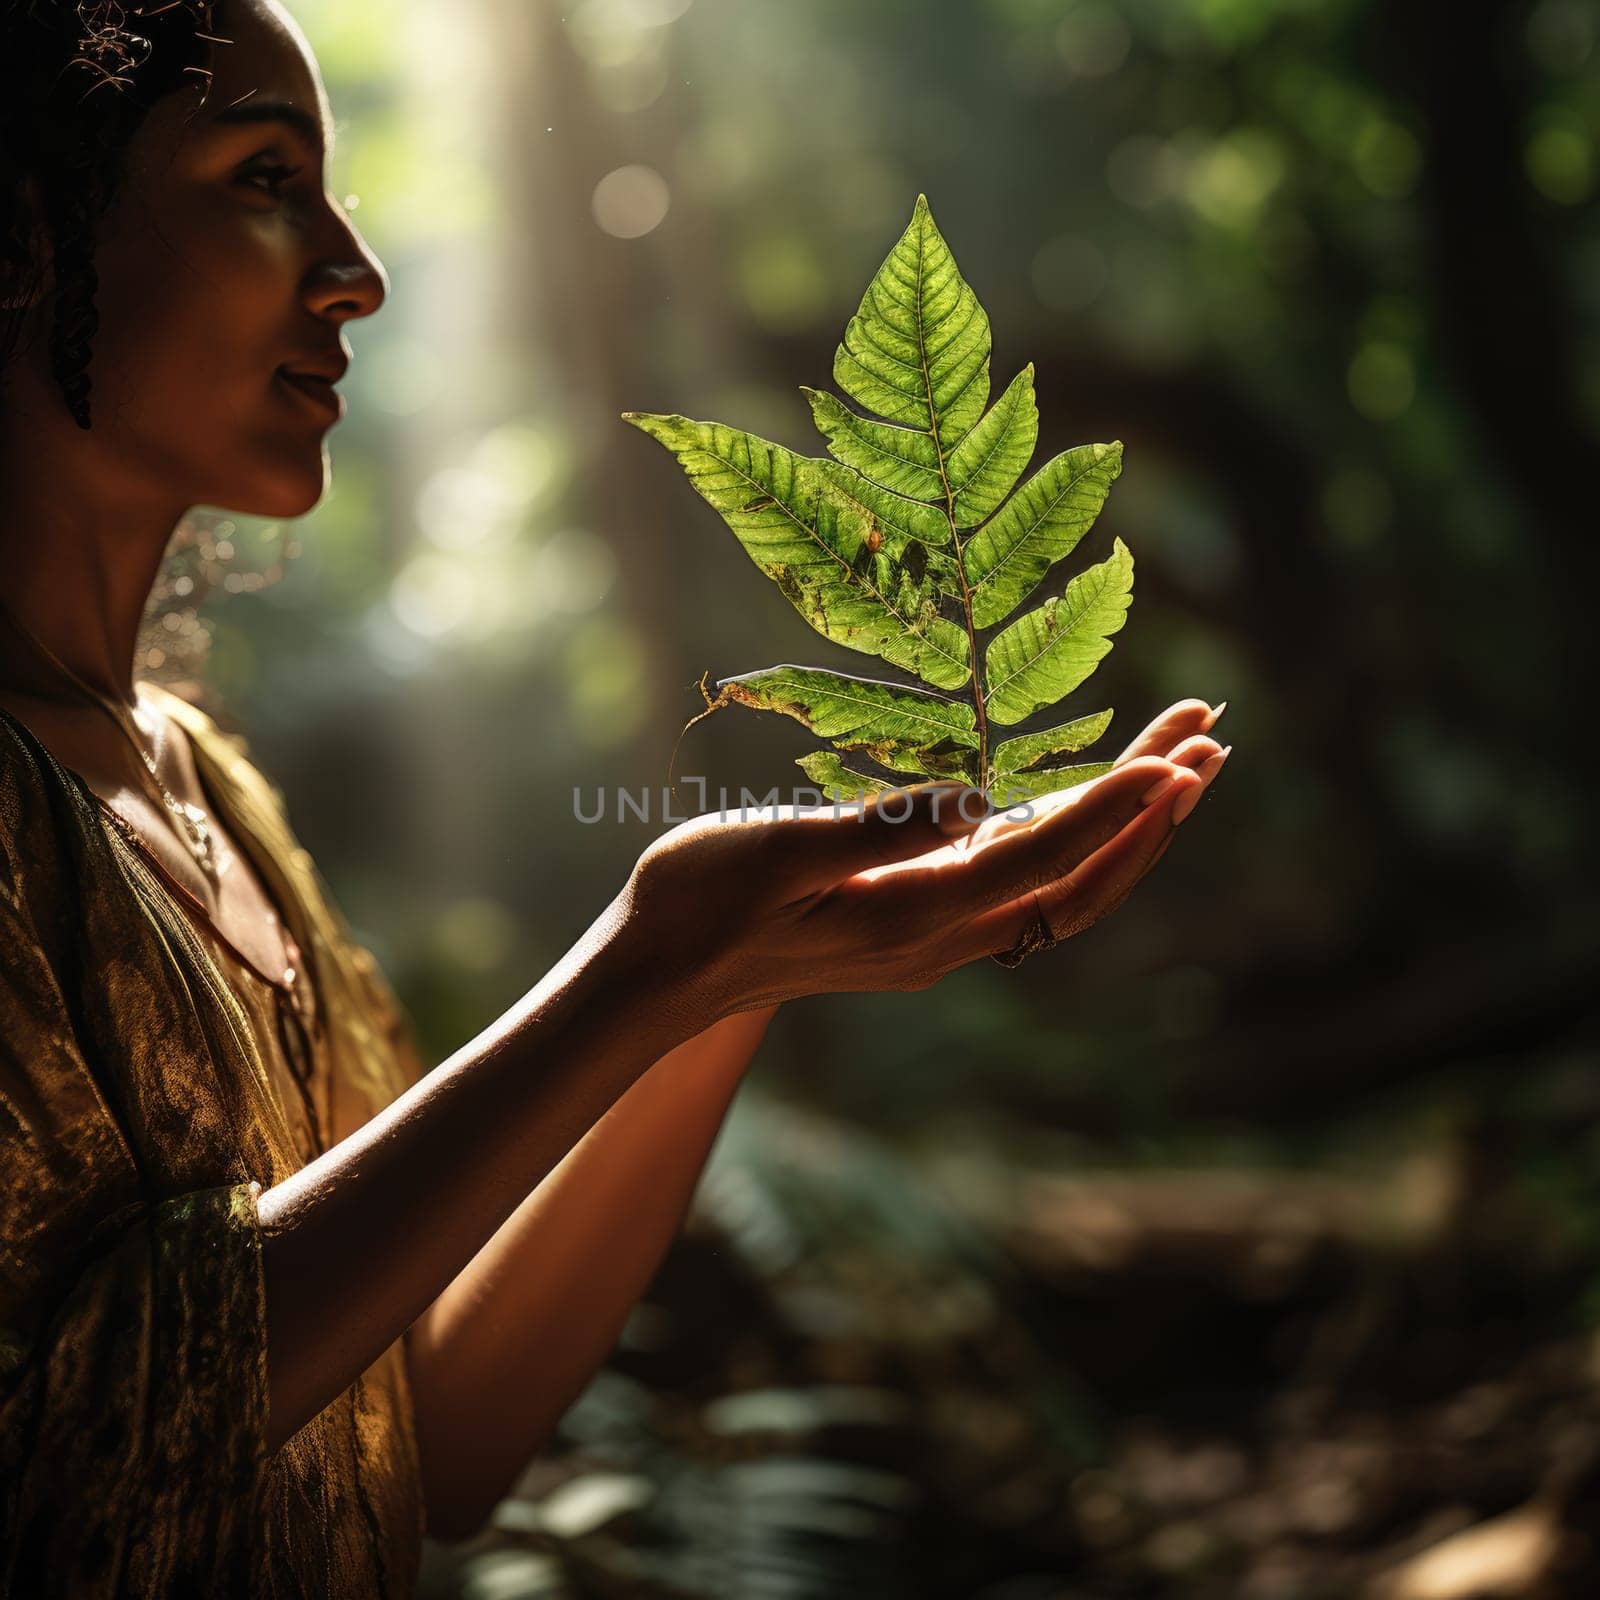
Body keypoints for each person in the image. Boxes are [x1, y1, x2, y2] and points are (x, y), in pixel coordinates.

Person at [0, 0, 1232, 1593]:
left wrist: (727, 984)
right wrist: (638, 967)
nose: (354, 271)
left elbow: (439, 1430)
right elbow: (62, 1478)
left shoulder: (210, 793)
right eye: (261, 177)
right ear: (26, 230)